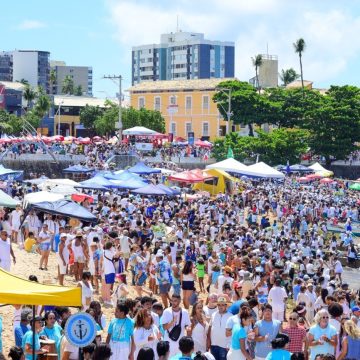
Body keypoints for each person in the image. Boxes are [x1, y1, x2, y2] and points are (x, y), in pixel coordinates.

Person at [209, 294, 232, 360]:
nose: (220, 306)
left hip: (225, 346)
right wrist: (209, 342)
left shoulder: (231, 316)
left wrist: (229, 344)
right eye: (219, 305)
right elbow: (210, 329)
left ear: (226, 305)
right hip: (214, 345)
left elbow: (232, 332)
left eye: (223, 305)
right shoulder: (213, 314)